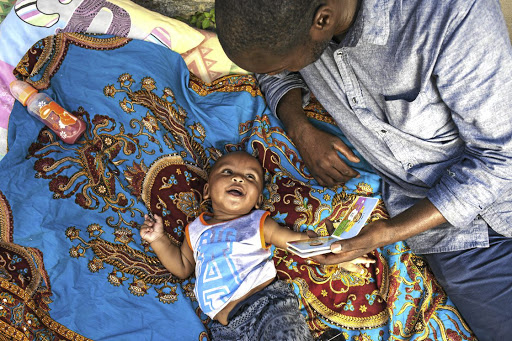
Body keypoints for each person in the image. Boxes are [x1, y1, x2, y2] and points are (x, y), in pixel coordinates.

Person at [214, 0, 512, 339]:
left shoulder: (451, 14)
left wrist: (386, 232)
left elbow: (501, 157)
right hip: (463, 239)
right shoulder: (286, 26)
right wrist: (299, 128)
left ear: (322, 20)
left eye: (279, 62)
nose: (271, 72)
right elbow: (271, 67)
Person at [140, 151, 371, 340]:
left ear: (258, 200)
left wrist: (337, 249)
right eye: (227, 172)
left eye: (250, 177)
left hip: (265, 306)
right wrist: (158, 240)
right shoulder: (195, 230)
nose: (238, 178)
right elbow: (182, 267)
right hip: (224, 329)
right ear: (208, 191)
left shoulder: (257, 223)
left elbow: (294, 241)